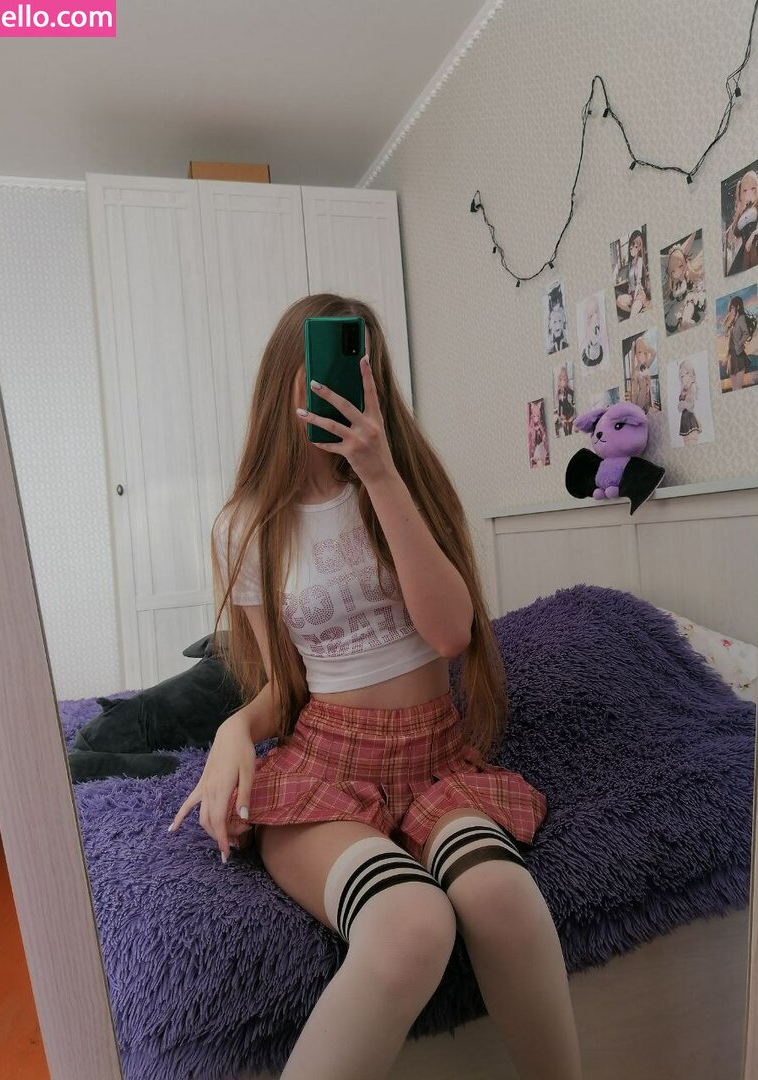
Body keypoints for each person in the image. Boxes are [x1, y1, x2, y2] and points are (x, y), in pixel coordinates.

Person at [169, 294, 583, 1080]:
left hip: (439, 761)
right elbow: (284, 686)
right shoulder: (245, 526)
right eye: (323, 373)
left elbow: (452, 635)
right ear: (284, 384)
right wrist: (233, 731)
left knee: (502, 899)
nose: (338, 389)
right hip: (326, 765)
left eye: (359, 372)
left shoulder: (404, 484)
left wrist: (379, 471)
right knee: (409, 923)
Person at [723, 294, 758, 392]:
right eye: (730, 307)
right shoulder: (733, 320)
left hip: (738, 355)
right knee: (734, 389)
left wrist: (738, 343)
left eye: (732, 307)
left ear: (738, 307)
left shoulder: (741, 318)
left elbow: (746, 333)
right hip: (731, 357)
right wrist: (730, 319)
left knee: (738, 388)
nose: (731, 309)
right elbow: (726, 333)